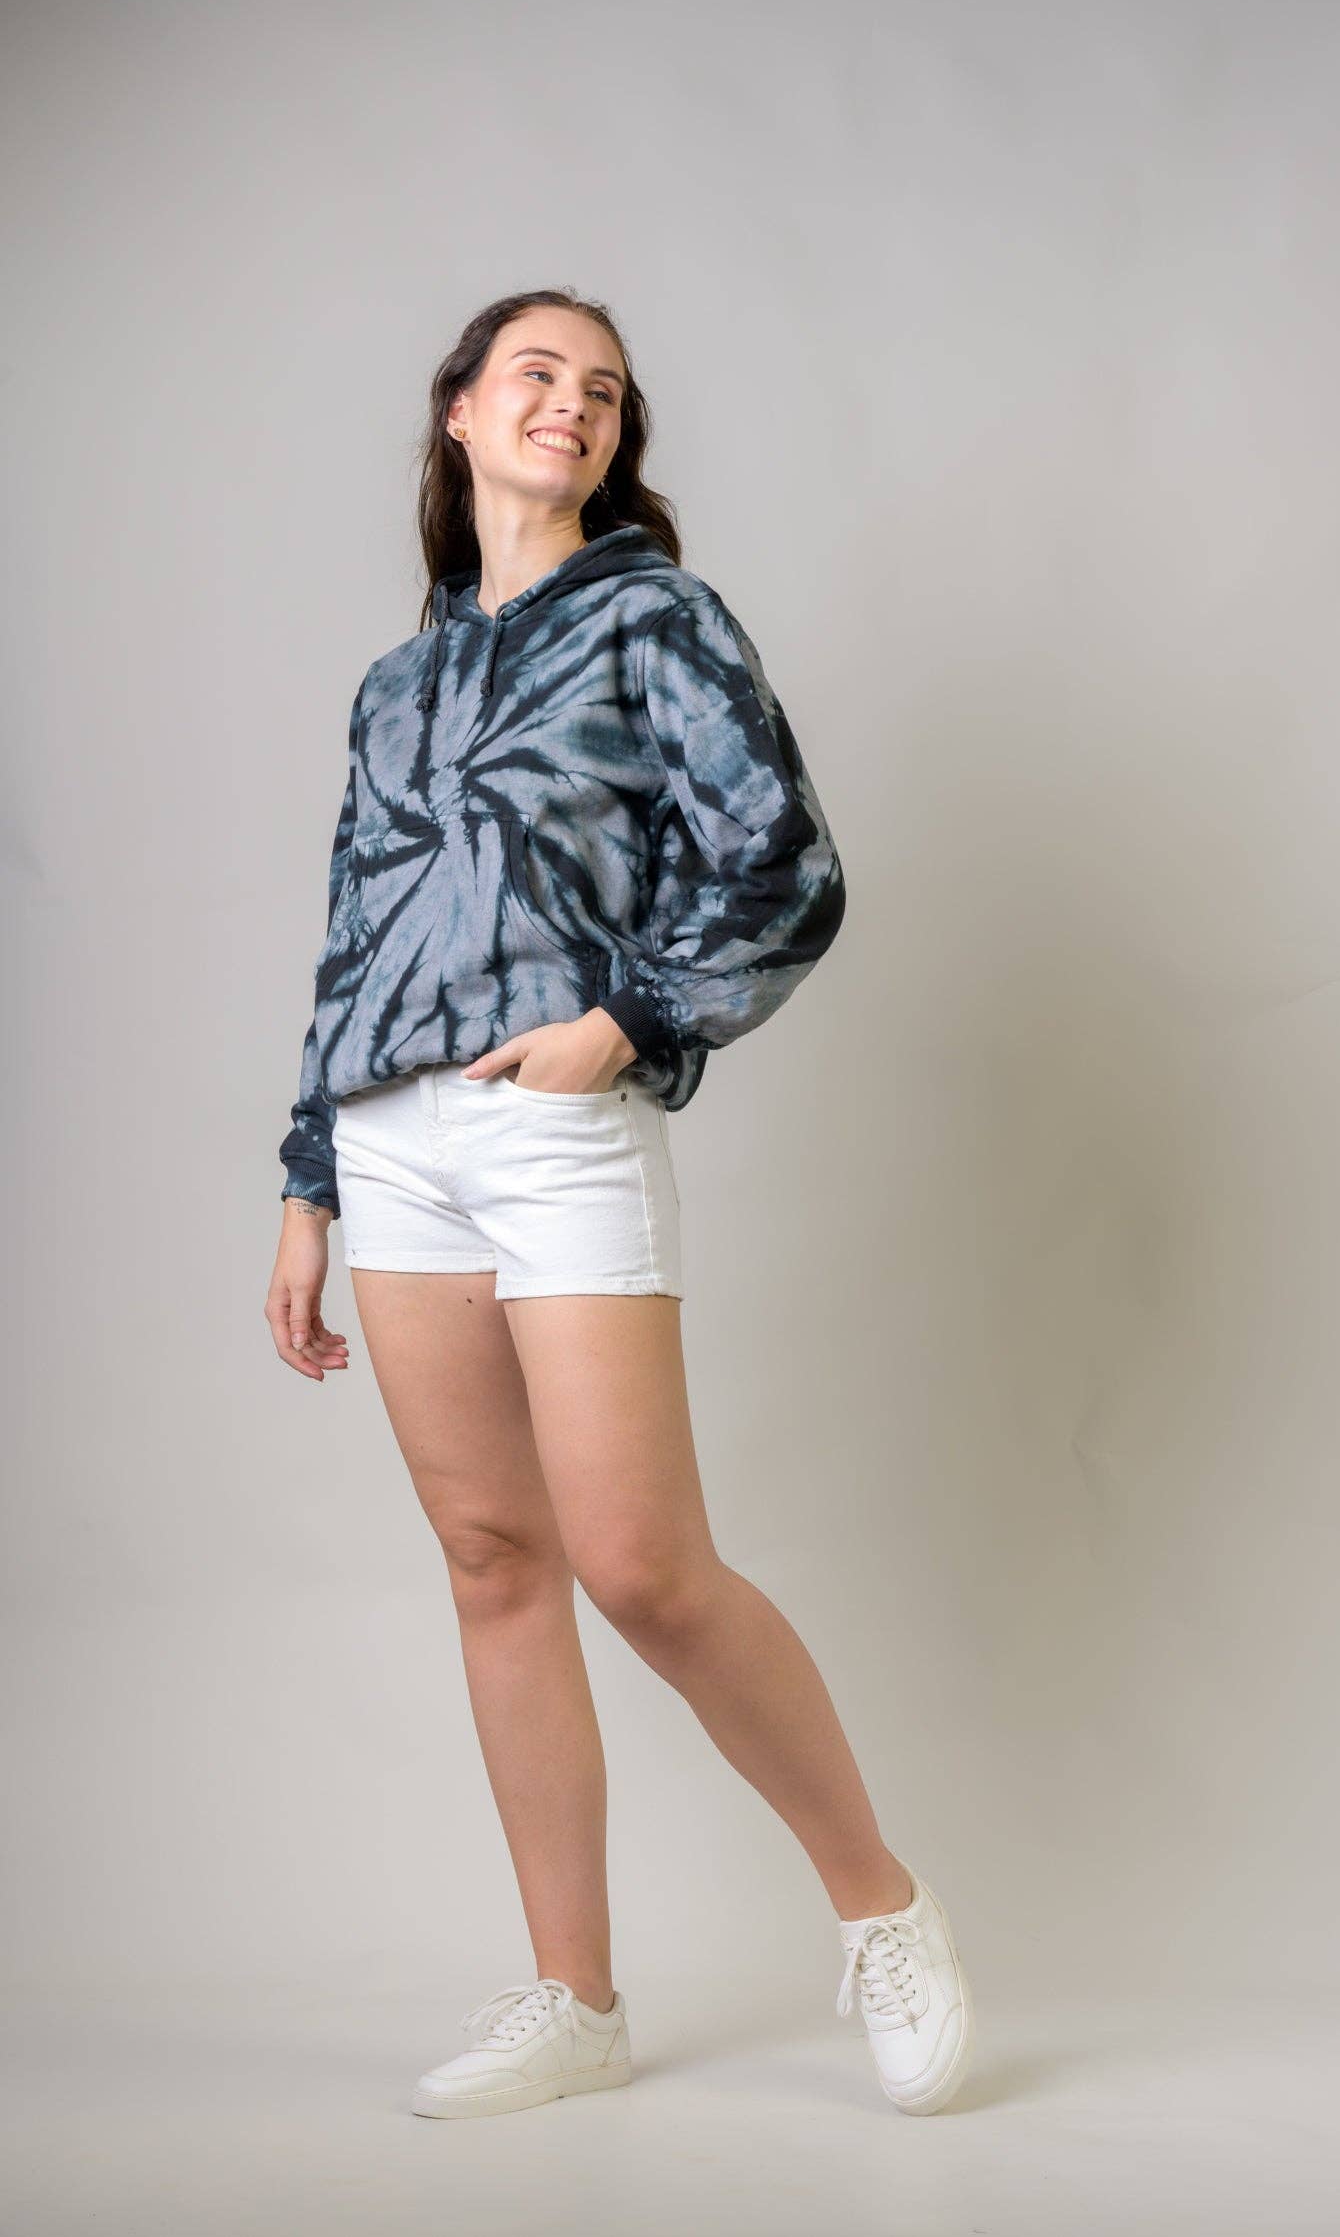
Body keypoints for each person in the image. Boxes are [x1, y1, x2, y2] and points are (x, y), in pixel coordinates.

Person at [265, 287, 973, 2119]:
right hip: (394, 1141)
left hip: (555, 1125)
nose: (570, 405)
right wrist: (310, 1177)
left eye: (601, 390)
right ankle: (574, 1999)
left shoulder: (658, 618)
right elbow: (354, 932)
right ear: (458, 409)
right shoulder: (395, 686)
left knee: (642, 1565)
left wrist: (627, 1024)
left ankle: (881, 1905)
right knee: (492, 1561)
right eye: (536, 374)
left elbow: (789, 869)